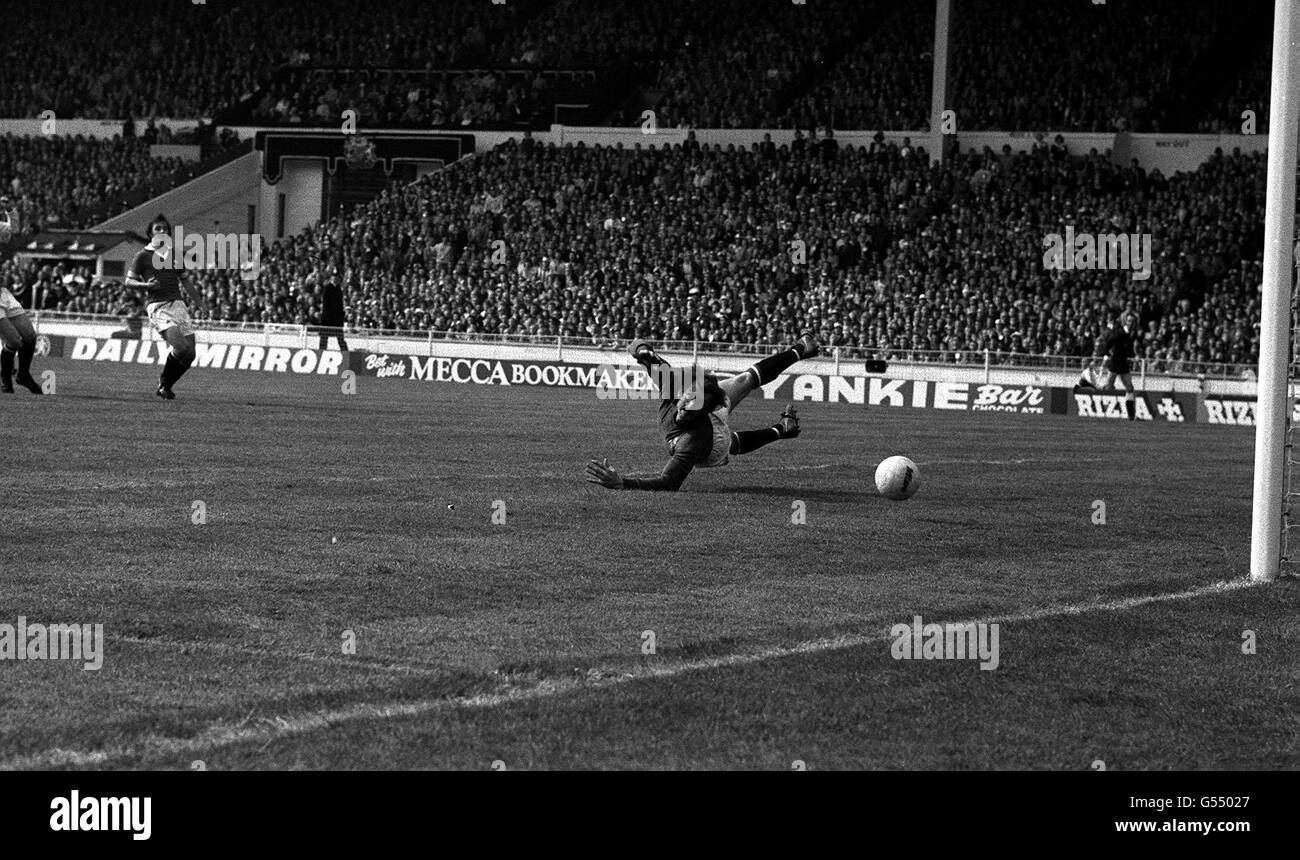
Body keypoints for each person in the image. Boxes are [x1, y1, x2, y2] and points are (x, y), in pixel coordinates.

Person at [585, 334, 819, 491]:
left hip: (713, 444)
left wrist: (622, 482)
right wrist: (644, 352)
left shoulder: (696, 437)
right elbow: (635, 344)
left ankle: (781, 426)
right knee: (746, 379)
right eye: (687, 400)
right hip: (705, 410)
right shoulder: (673, 386)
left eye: (695, 408)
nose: (686, 408)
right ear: (685, 392)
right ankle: (799, 353)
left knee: (727, 442)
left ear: (707, 411)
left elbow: (669, 482)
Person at [125, 214, 196, 399]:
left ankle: (165, 386)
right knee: (181, 348)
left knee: (190, 355)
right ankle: (164, 382)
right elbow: (128, 281)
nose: (162, 232)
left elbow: (185, 280)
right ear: (150, 233)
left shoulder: (174, 254)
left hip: (178, 305)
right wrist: (146, 286)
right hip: (159, 306)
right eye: (158, 229)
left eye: (165, 229)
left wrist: (200, 303)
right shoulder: (142, 256)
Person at [0, 196, 43, 395]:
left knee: (29, 336)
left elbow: (13, 229)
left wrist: (9, 210)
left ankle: (23, 375)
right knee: (14, 342)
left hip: (2, 292)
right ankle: (5, 381)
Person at [1076, 311, 1139, 420]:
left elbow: (1127, 349)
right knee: (1108, 388)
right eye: (1129, 321)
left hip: (1123, 363)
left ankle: (1131, 415)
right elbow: (1108, 341)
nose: (1131, 323)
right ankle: (1088, 383)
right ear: (1125, 322)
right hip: (1115, 362)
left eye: (1133, 321)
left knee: (1130, 387)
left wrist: (1133, 355)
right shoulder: (1119, 333)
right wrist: (1106, 354)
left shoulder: (1131, 334)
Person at [318, 280, 348, 351]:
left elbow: (341, 304)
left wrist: (341, 316)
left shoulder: (339, 289)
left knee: (340, 339)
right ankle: (321, 352)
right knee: (324, 338)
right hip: (327, 318)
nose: (335, 279)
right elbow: (325, 305)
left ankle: (346, 354)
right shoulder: (327, 288)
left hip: (337, 319)